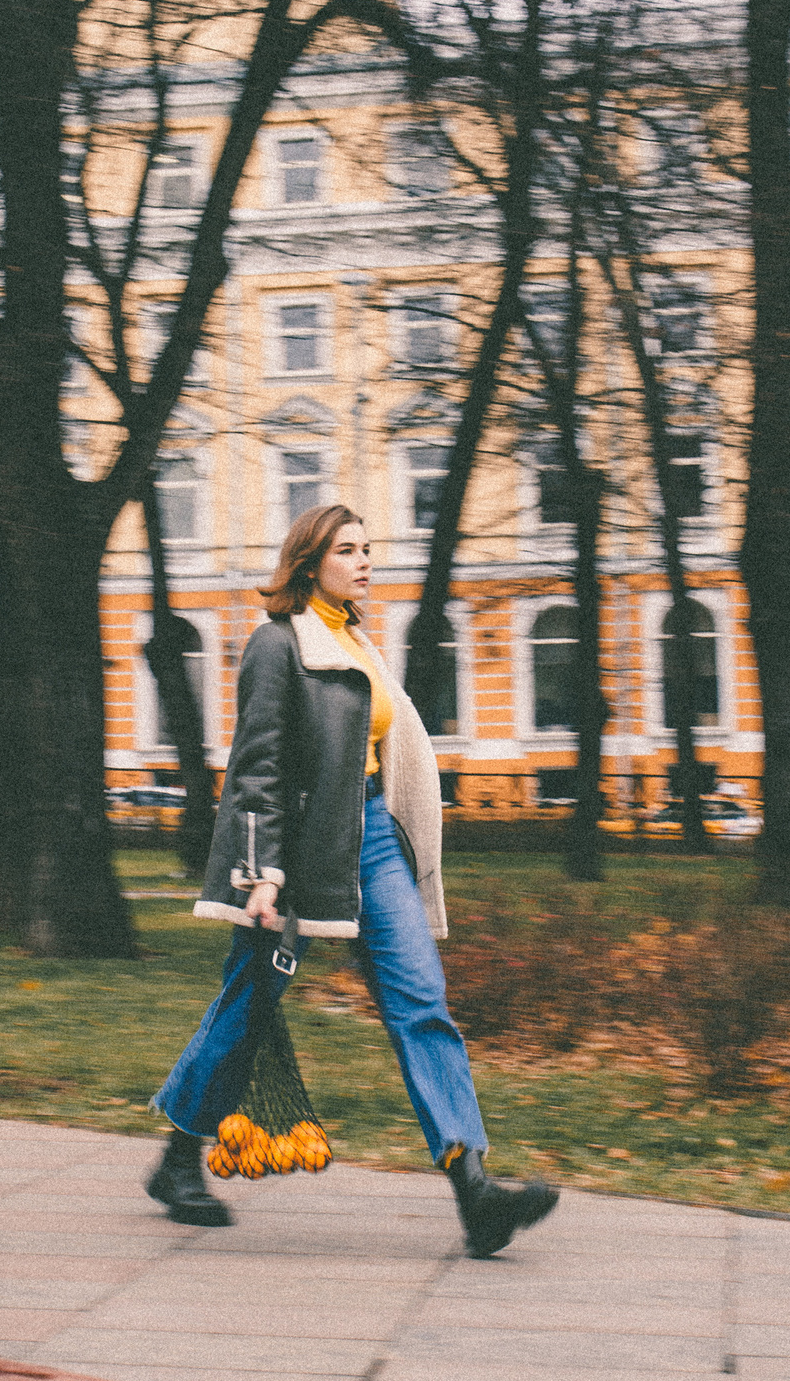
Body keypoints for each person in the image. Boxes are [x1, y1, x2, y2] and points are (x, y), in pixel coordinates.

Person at [146, 503, 558, 1258]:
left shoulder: (353, 637)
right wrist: (259, 874)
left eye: (369, 548)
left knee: (421, 1000)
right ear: (310, 562)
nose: (365, 560)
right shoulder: (277, 646)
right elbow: (257, 769)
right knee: (248, 1004)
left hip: (370, 839)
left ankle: (474, 1188)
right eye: (348, 549)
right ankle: (178, 1159)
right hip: (298, 853)